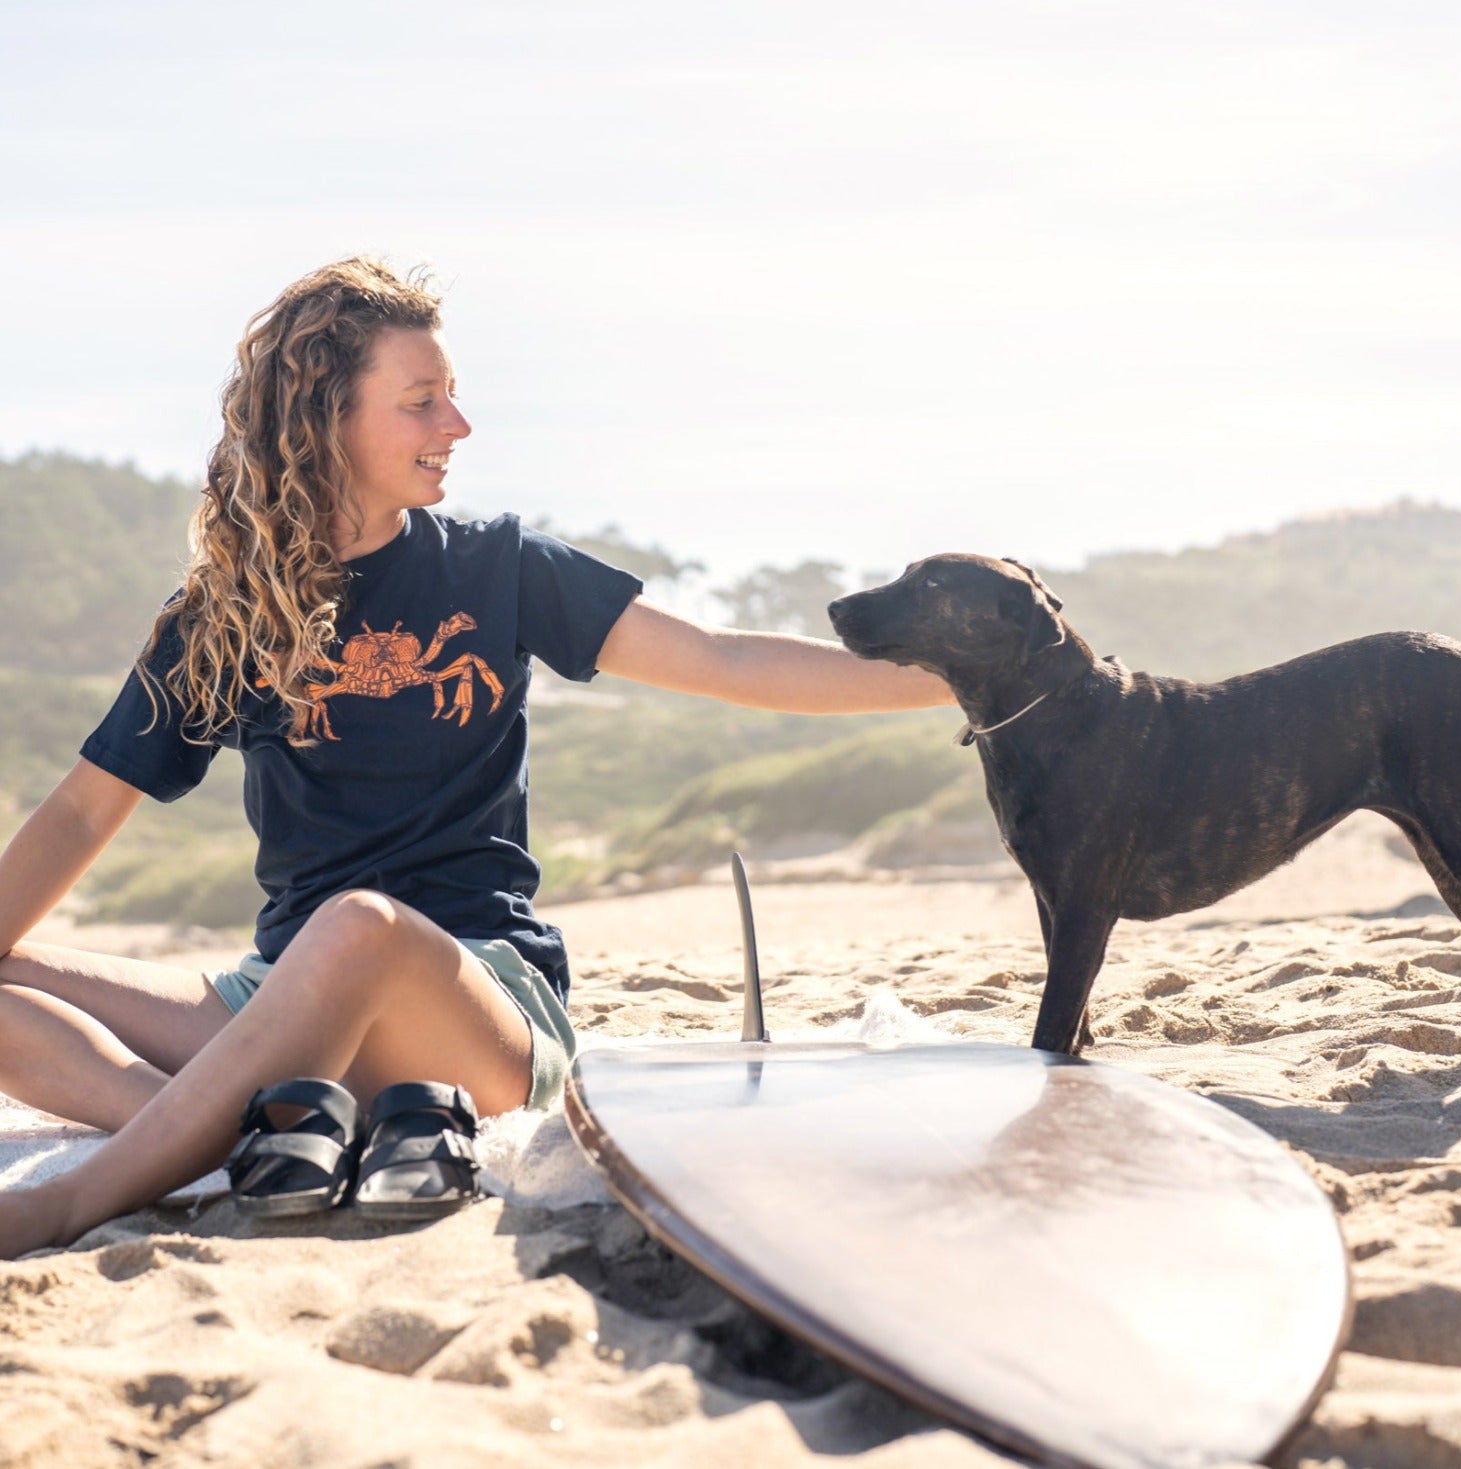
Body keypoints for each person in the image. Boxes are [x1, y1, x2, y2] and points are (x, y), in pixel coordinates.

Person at [0, 257, 953, 1258]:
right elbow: (77, 812)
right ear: (327, 419)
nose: (456, 425)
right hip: (281, 1001)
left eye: (450, 396)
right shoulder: (230, 617)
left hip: (477, 1007)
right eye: (421, 402)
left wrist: (957, 680)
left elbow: (723, 656)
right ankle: (248, 1130)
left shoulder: (495, 567)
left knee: (359, 926)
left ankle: (73, 1200)